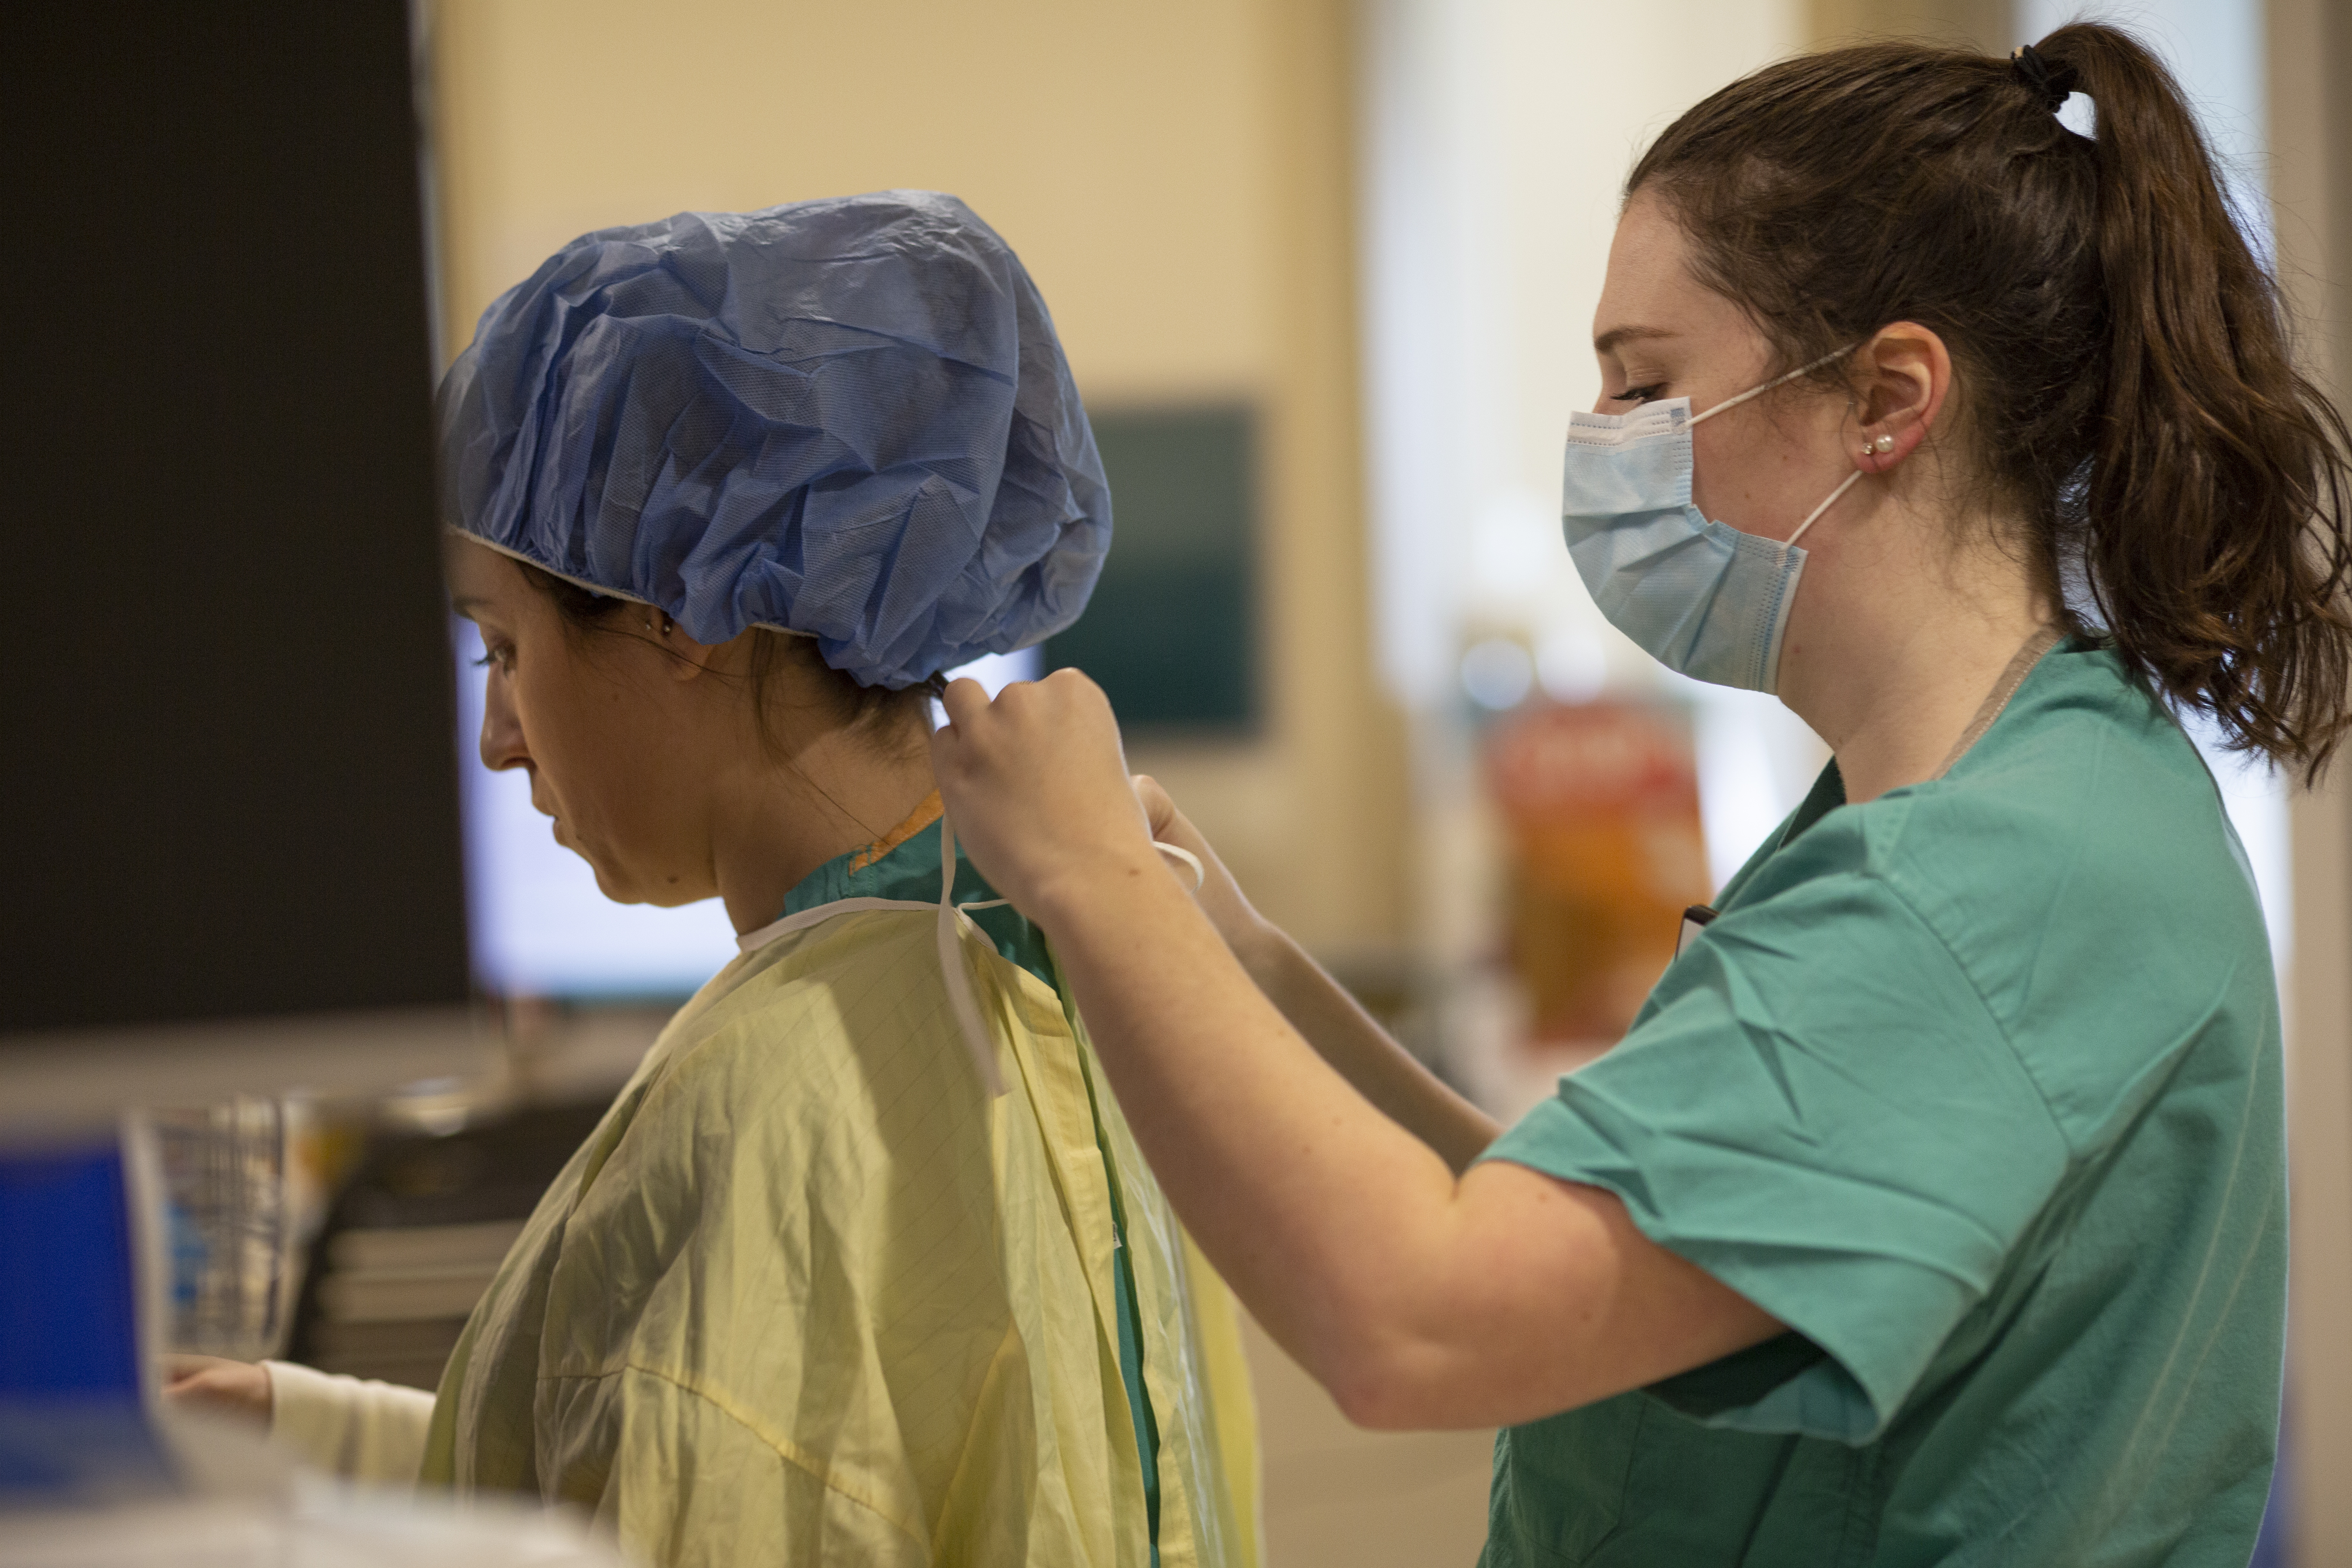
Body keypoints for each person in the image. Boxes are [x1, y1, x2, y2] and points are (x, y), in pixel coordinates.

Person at [927, 26, 2352, 1566]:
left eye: (1643, 380)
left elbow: (1418, 1319)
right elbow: (1603, 1231)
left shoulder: (1979, 897)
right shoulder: (2021, 792)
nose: (1602, 446)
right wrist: (1247, 963)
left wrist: (1093, 884)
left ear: (1889, 397)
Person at [167, 191, 1260, 1568]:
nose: (500, 742)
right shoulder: (1071, 972)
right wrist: (313, 1436)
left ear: (679, 611)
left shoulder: (775, 1093)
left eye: (503, 650)